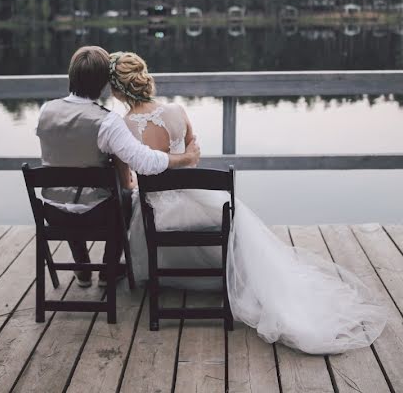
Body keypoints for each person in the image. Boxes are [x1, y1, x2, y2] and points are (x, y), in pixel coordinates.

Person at [108, 51, 388, 355]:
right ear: (145, 77)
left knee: (138, 208)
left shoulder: (122, 127)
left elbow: (127, 182)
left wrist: (142, 182)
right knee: (236, 215)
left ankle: (171, 274)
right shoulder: (176, 112)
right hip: (194, 199)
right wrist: (182, 158)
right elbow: (193, 155)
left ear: (117, 90)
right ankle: (233, 274)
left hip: (156, 215)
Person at [35, 46, 200, 288]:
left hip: (53, 212)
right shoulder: (108, 121)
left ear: (71, 76)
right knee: (124, 196)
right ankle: (107, 271)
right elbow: (145, 162)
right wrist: (185, 159)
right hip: (96, 213)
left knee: (68, 191)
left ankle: (82, 269)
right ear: (103, 84)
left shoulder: (45, 110)